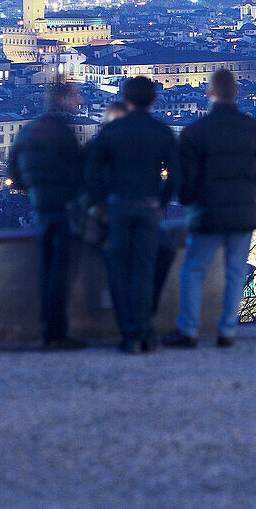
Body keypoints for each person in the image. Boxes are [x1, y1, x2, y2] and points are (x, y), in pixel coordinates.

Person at [163, 69, 256, 349]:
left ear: (209, 94)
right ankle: (227, 330)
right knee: (236, 271)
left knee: (193, 270)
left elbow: (184, 179)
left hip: (207, 213)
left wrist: (191, 203)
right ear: (237, 92)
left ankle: (189, 329)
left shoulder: (194, 133)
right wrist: (248, 194)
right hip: (242, 212)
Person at [85, 75, 179, 353]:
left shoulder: (112, 132)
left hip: (119, 207)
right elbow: (175, 175)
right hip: (149, 208)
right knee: (145, 269)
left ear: (126, 99)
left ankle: (129, 334)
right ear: (153, 99)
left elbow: (92, 172)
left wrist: (104, 201)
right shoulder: (161, 131)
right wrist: (161, 200)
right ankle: (145, 329)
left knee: (119, 271)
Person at [7, 82, 85, 350]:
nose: (80, 101)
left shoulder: (29, 129)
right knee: (61, 273)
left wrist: (35, 191)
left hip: (40, 207)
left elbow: (15, 173)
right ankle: (57, 332)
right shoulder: (62, 132)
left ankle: (47, 330)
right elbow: (77, 174)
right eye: (75, 96)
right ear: (61, 99)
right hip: (62, 209)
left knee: (46, 269)